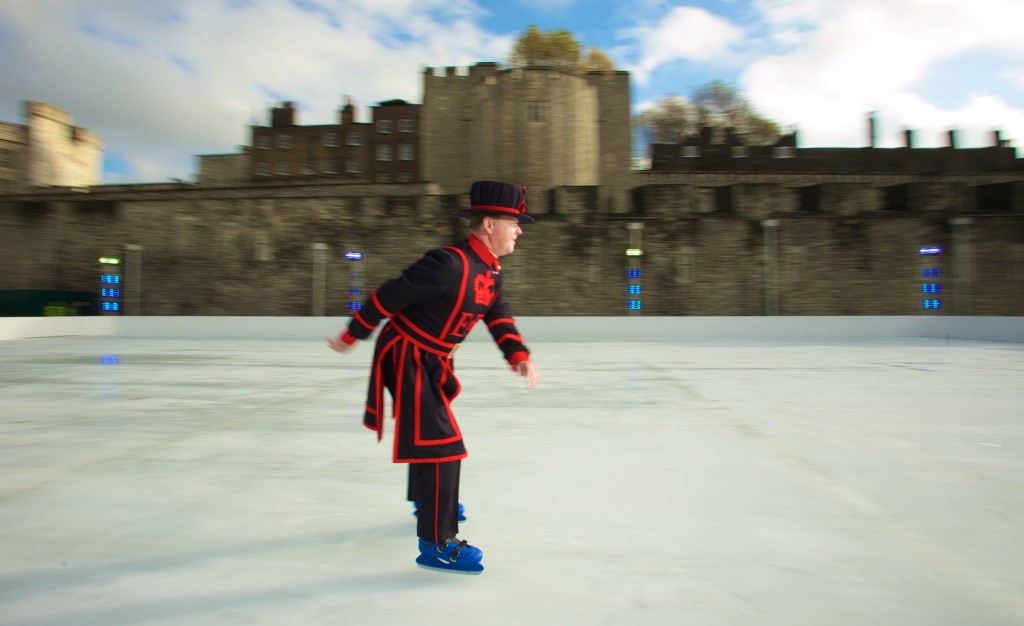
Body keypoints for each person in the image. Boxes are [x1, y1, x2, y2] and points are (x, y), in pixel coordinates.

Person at [326, 180, 540, 575]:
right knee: (443, 445)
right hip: (407, 354)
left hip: (434, 361)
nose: (520, 230)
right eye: (514, 222)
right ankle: (438, 542)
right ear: (489, 223)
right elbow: (389, 295)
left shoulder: (491, 272)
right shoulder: (448, 263)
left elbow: (498, 315)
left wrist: (518, 354)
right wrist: (351, 334)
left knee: (429, 435)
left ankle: (427, 500)